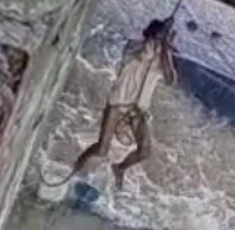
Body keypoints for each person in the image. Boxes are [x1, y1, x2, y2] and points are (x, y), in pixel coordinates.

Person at [73, 18, 178, 189]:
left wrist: (166, 49)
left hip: (138, 112)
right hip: (117, 105)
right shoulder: (133, 48)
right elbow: (143, 54)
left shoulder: (160, 62)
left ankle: (120, 168)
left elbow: (170, 79)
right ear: (149, 37)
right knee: (102, 149)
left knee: (144, 151)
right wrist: (159, 39)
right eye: (157, 39)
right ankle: (78, 164)